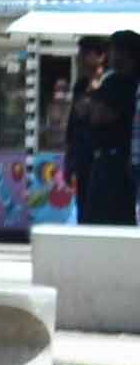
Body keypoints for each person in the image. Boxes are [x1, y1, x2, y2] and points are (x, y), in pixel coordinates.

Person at [70, 31, 139, 229]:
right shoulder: (106, 81)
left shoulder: (122, 82)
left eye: (114, 50)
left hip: (114, 160)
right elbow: (81, 110)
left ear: (126, 54)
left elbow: (96, 115)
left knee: (104, 219)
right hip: (105, 159)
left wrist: (91, 105)